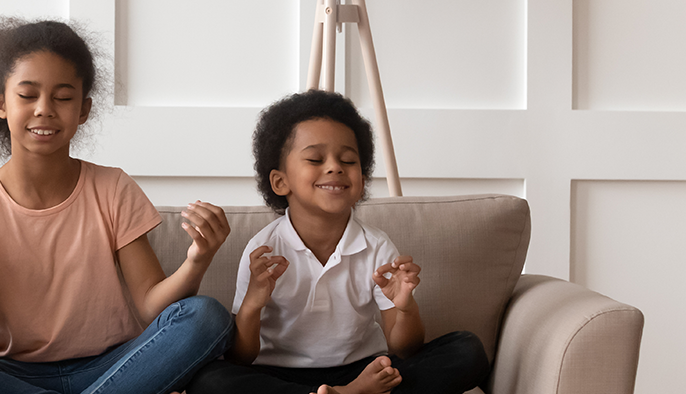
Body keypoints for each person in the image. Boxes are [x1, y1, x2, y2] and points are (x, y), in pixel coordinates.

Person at [0, 18, 233, 394]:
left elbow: (153, 308)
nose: (44, 109)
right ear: (0, 103)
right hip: (12, 376)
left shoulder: (113, 187)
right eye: (27, 95)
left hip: (115, 367)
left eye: (63, 97)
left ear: (83, 109)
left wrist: (198, 259)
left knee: (206, 317)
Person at [187, 90, 489, 394]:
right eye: (316, 159)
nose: (335, 167)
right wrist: (252, 303)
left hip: (362, 369)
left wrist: (405, 306)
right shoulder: (263, 247)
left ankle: (347, 391)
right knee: (209, 380)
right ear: (280, 182)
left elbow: (405, 349)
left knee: (467, 350)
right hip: (278, 374)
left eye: (348, 159)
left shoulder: (377, 246)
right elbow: (241, 357)